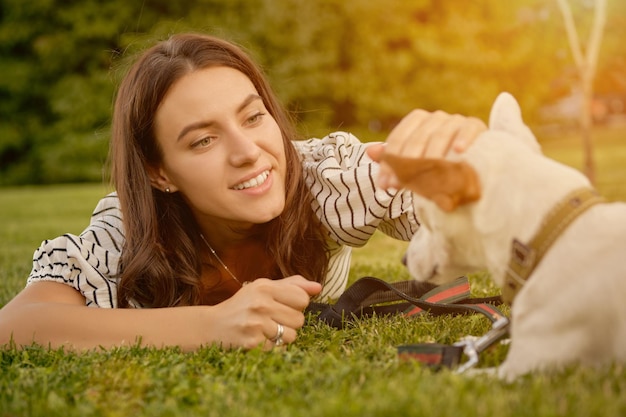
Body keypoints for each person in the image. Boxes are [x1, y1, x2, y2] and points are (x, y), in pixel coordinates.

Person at [0, 33, 487, 351]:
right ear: (158, 172)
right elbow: (16, 326)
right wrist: (210, 326)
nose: (249, 152)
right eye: (203, 140)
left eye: (254, 117)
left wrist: (467, 165)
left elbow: (458, 212)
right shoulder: (128, 231)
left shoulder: (322, 177)